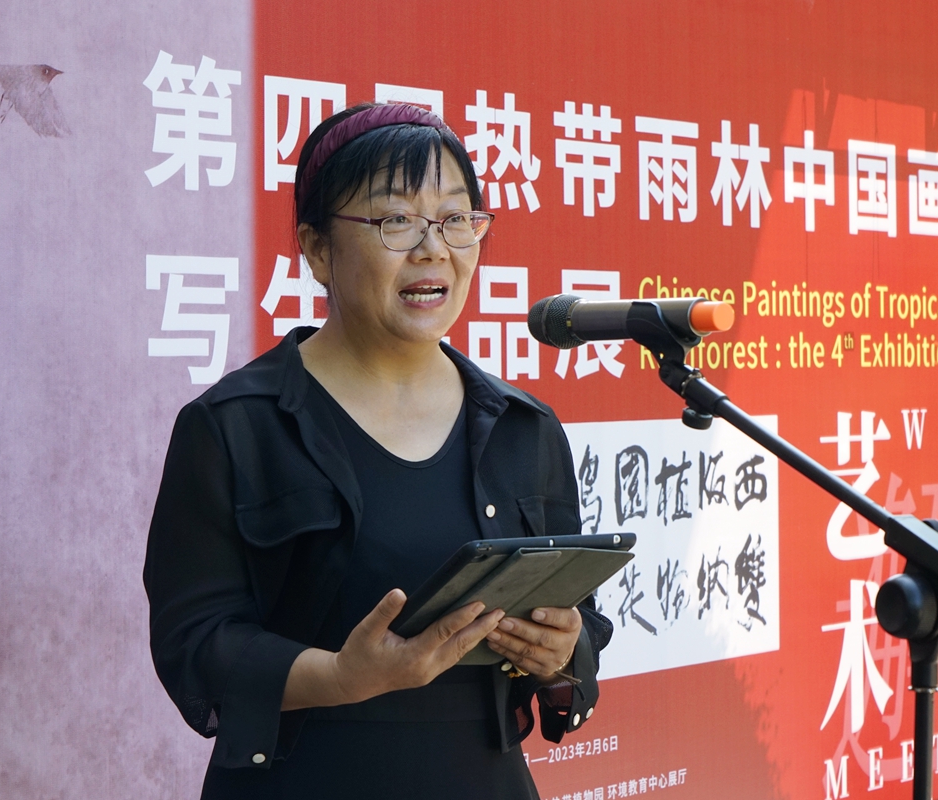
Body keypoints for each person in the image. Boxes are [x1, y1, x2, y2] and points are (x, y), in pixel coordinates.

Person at [144, 102, 612, 799]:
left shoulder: (524, 427)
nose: (433, 249)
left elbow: (582, 625)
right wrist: (340, 677)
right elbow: (195, 643)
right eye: (396, 220)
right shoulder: (234, 427)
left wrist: (560, 651)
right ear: (317, 249)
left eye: (455, 219)